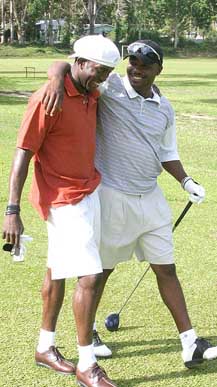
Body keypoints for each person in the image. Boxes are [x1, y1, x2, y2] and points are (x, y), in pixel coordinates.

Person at [43, 39, 217, 369]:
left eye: (145, 65)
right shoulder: (110, 87)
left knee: (166, 268)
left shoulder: (165, 108)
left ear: (159, 70)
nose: (136, 69)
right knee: (99, 272)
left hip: (151, 199)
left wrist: (186, 180)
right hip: (112, 195)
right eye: (132, 62)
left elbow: (166, 151)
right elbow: (68, 65)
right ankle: (90, 335)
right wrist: (57, 78)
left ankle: (191, 343)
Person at [2, 34, 121, 387]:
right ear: (81, 62)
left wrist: (59, 72)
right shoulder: (48, 97)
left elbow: (64, 68)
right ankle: (87, 365)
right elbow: (23, 152)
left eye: (107, 73)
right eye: (99, 71)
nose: (103, 78)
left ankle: (45, 347)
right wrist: (11, 210)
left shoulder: (90, 92)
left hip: (88, 191)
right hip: (62, 197)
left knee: (57, 271)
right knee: (90, 276)